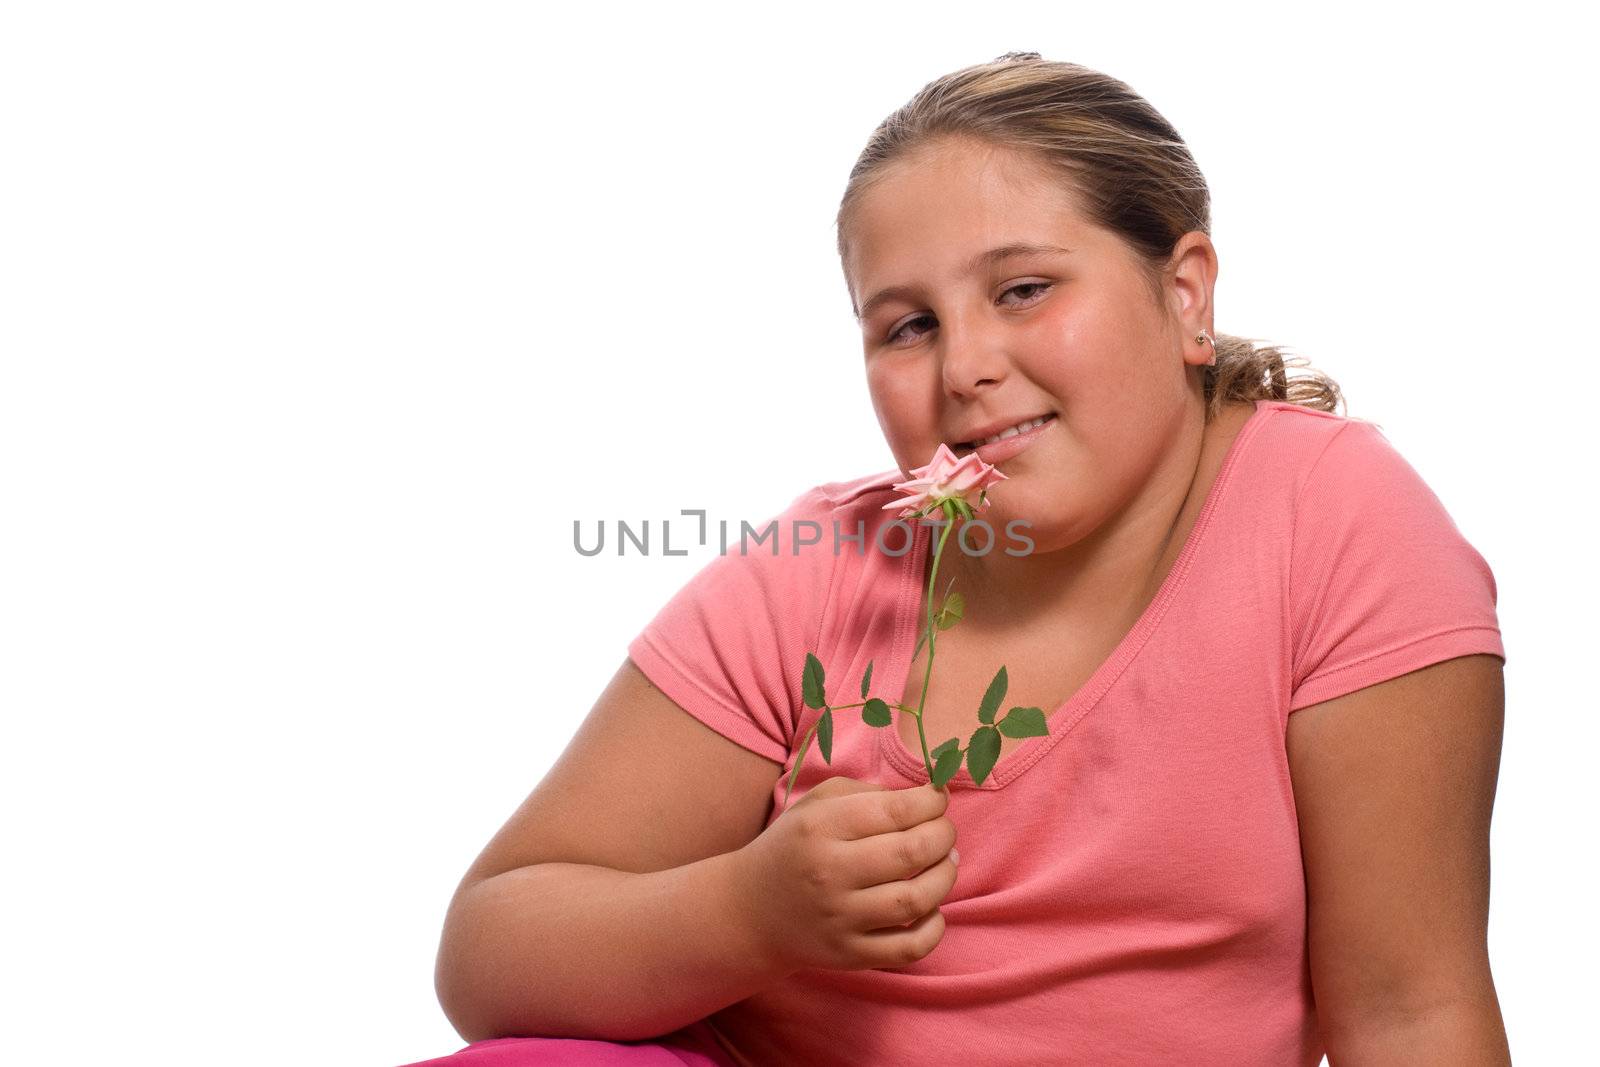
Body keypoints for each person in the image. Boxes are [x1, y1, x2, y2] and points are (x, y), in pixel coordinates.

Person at [403, 53, 1510, 1066]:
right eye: (906, 326)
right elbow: (490, 951)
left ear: (1184, 293)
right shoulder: (820, 566)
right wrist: (748, 910)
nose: (967, 366)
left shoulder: (1335, 522)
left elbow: (1411, 1009)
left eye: (1024, 290)